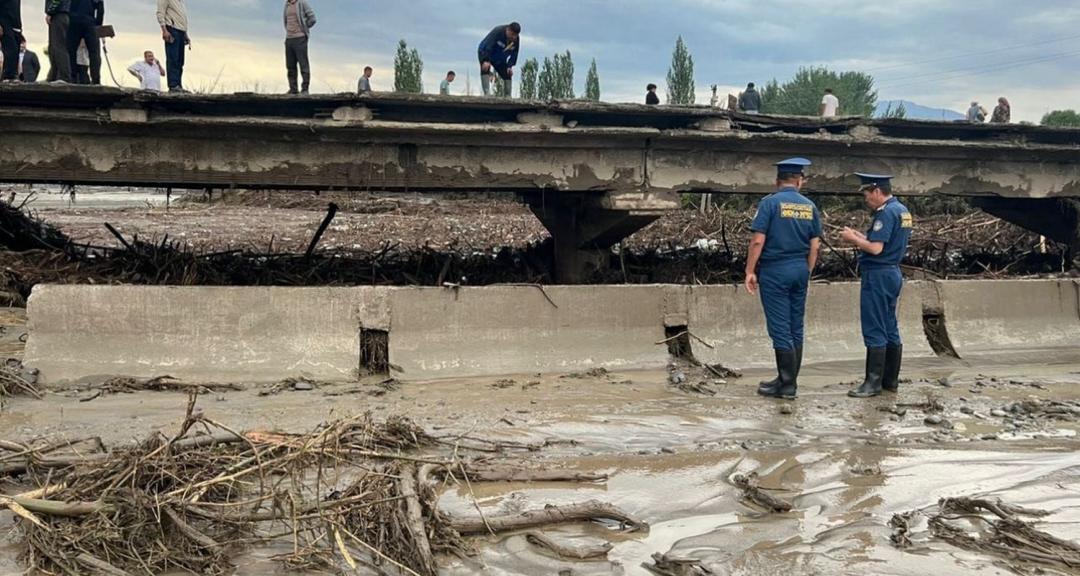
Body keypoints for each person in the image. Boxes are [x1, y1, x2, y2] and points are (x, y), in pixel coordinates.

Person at [745, 158, 822, 400]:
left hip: (776, 270)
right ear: (799, 181)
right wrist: (806, 270)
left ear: (777, 181)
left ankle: (787, 386)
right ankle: (786, 379)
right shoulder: (810, 206)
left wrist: (749, 270)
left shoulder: (769, 203)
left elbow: (758, 240)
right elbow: (815, 245)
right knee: (795, 327)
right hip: (800, 268)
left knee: (779, 328)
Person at [840, 174, 913, 398]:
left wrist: (852, 240)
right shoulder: (902, 210)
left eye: (867, 194)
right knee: (889, 326)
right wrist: (860, 235)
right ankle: (890, 380)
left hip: (878, 274)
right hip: (892, 272)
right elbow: (882, 242)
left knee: (874, 327)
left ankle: (872, 383)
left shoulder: (886, 213)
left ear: (877, 191)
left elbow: (876, 249)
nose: (866, 199)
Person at [477, 21, 519, 97]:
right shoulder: (498, 31)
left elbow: (515, 54)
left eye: (515, 36)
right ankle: (487, 94)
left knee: (507, 73)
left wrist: (510, 66)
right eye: (512, 34)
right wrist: (486, 60)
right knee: (486, 67)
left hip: (499, 58)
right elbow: (488, 45)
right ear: (508, 30)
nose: (513, 37)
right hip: (485, 52)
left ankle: (508, 96)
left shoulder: (515, 40)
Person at [156, 0, 190, 92]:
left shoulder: (180, 2)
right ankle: (173, 85)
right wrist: (164, 30)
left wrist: (185, 34)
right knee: (173, 58)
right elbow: (160, 13)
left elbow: (181, 18)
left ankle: (178, 84)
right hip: (172, 29)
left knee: (180, 60)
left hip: (181, 31)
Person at [283, 0, 315, 94]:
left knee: (303, 65)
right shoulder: (286, 4)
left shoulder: (302, 3)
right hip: (289, 38)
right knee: (290, 66)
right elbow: (286, 21)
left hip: (300, 38)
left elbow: (312, 19)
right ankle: (293, 89)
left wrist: (304, 27)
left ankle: (305, 89)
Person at [67, 0, 102, 85]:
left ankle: (72, 78)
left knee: (71, 51)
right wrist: (97, 24)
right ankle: (95, 79)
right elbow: (100, 6)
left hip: (73, 20)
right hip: (89, 20)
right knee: (94, 52)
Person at [45, 0, 72, 82]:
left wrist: (50, 12)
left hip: (59, 14)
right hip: (59, 15)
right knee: (53, 48)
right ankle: (53, 75)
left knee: (59, 47)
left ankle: (64, 77)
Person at [0, 0, 20, 81]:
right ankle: (8, 75)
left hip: (16, 24)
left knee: (16, 50)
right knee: (10, 48)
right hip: (5, 22)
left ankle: (13, 74)